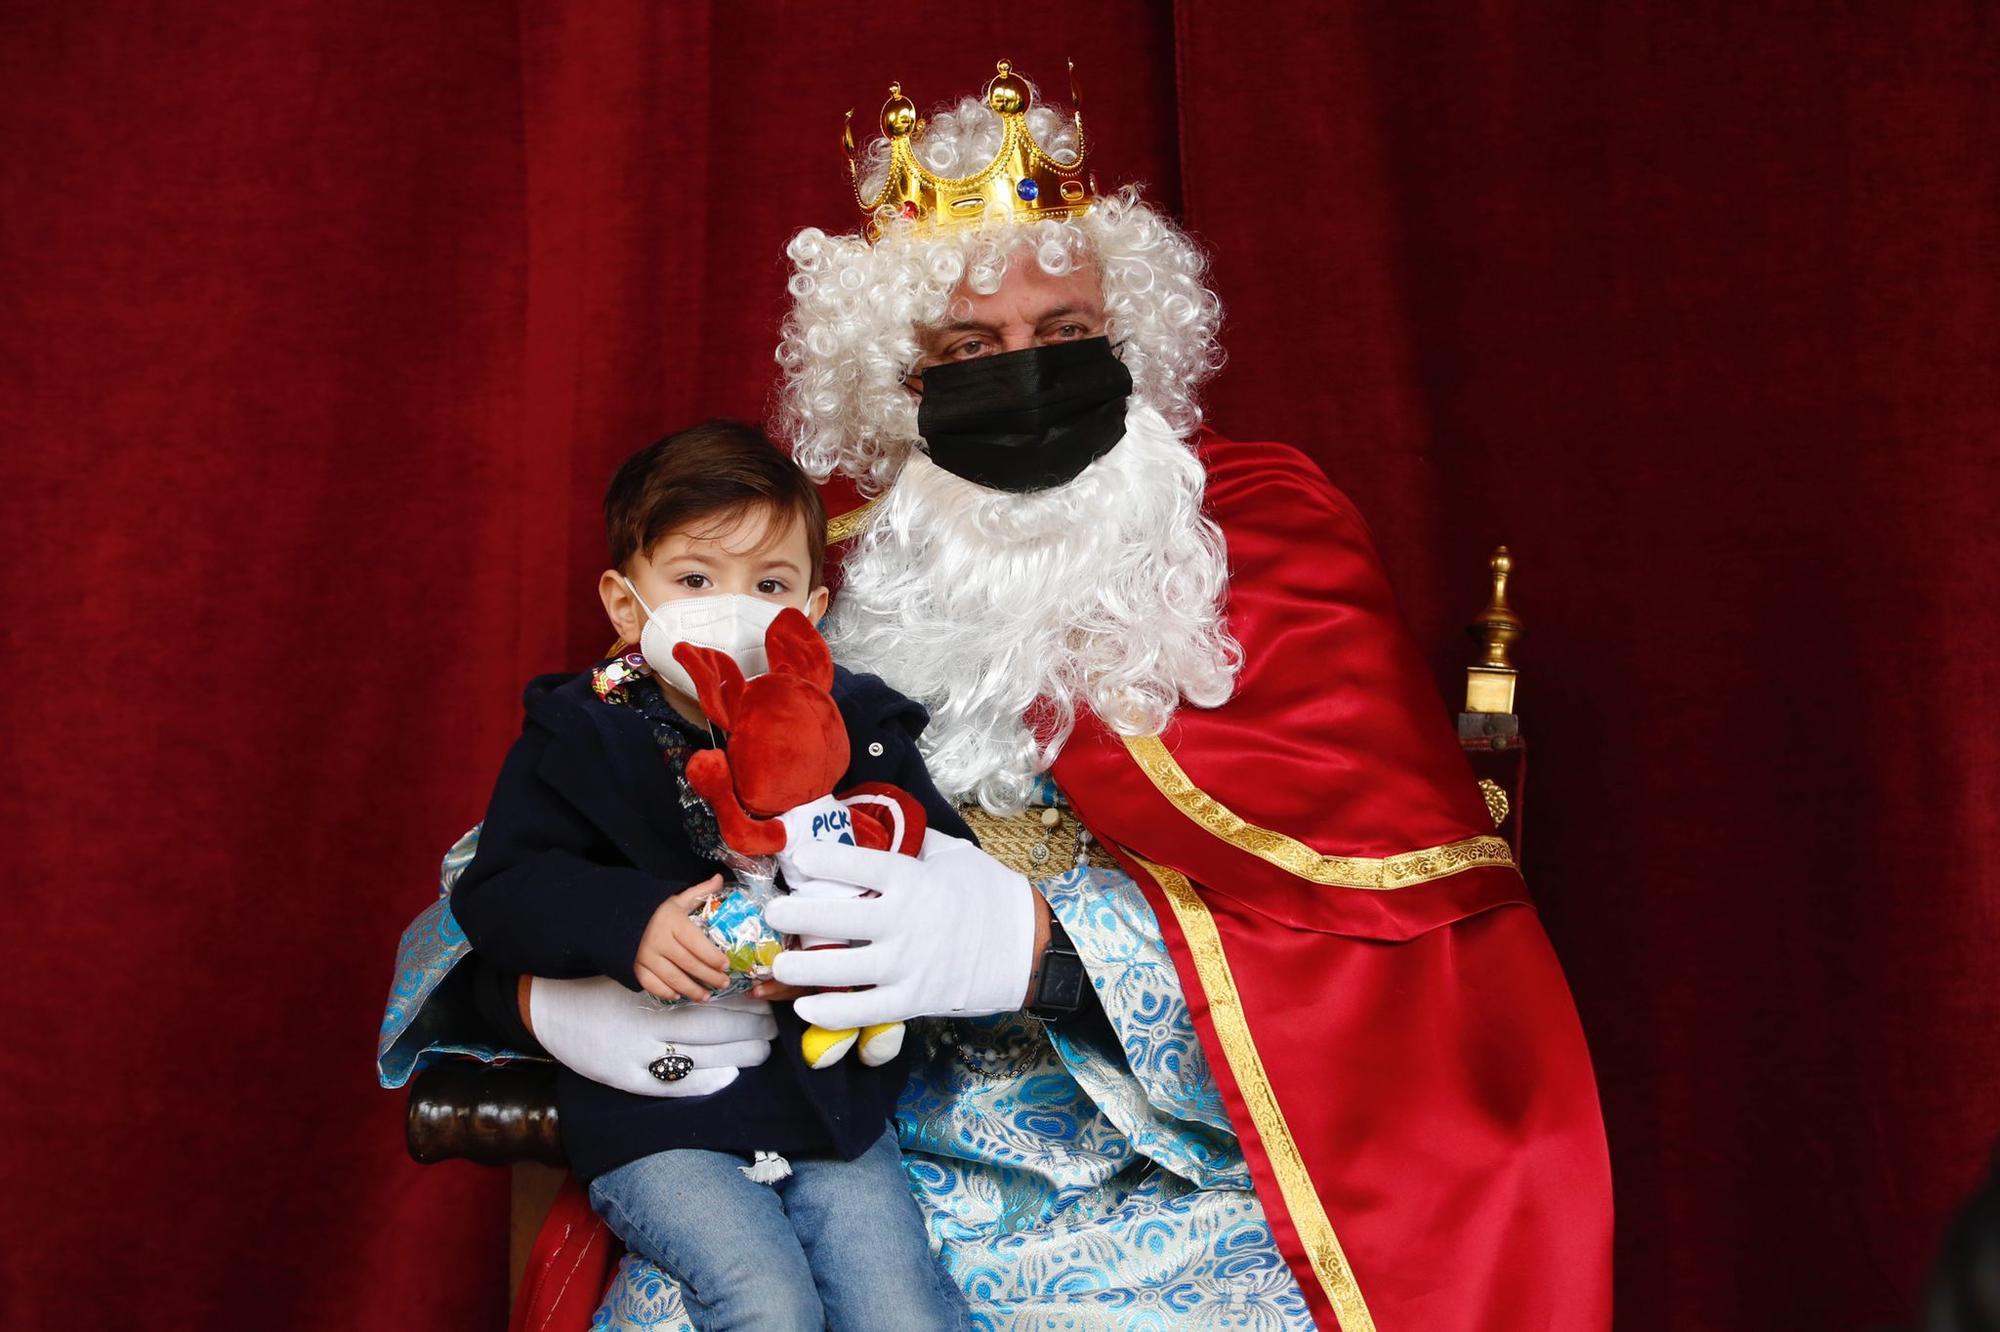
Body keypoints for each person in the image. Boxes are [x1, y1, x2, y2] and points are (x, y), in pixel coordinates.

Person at [381, 61, 1613, 1331]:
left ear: (1132, 339)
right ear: (893, 385)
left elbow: (1397, 952)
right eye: (967, 350)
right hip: (849, 1137)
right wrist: (547, 992)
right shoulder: (811, 570)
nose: (1021, 377)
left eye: (1065, 338)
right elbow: (550, 828)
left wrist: (1040, 951)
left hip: (1182, 1174)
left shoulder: (1266, 542)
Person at [446, 419, 972, 1331]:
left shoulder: (857, 724)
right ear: (625, 603)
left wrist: (853, 930)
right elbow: (500, 893)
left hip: (829, 1107)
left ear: (808, 609)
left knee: (902, 1314)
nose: (732, 608)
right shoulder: (580, 733)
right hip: (657, 1114)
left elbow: (938, 865)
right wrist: (630, 923)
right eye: (694, 580)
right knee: (766, 1306)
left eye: (767, 584)